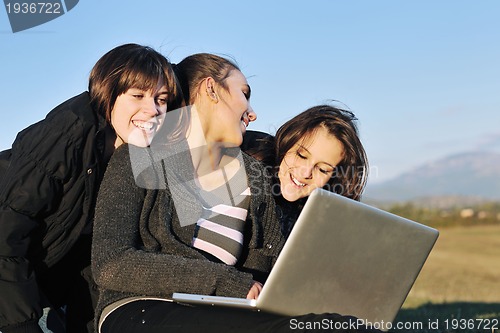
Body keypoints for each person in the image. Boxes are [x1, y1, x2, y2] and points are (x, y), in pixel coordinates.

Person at [91, 54, 379, 333]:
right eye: (245, 93)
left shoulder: (254, 177)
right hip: (141, 310)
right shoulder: (141, 155)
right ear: (211, 89)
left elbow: (266, 268)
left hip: (220, 314)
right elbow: (111, 263)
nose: (253, 113)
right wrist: (229, 283)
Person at [0, 43, 180, 333]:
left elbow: (92, 260)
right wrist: (21, 326)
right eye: (138, 95)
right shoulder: (66, 135)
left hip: (40, 279)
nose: (153, 109)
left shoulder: (135, 160)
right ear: (108, 93)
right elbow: (6, 236)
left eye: (161, 99)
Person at [241, 105, 369, 237]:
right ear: (287, 143)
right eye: (301, 156)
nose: (305, 173)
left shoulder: (321, 222)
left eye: (323, 169)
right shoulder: (246, 152)